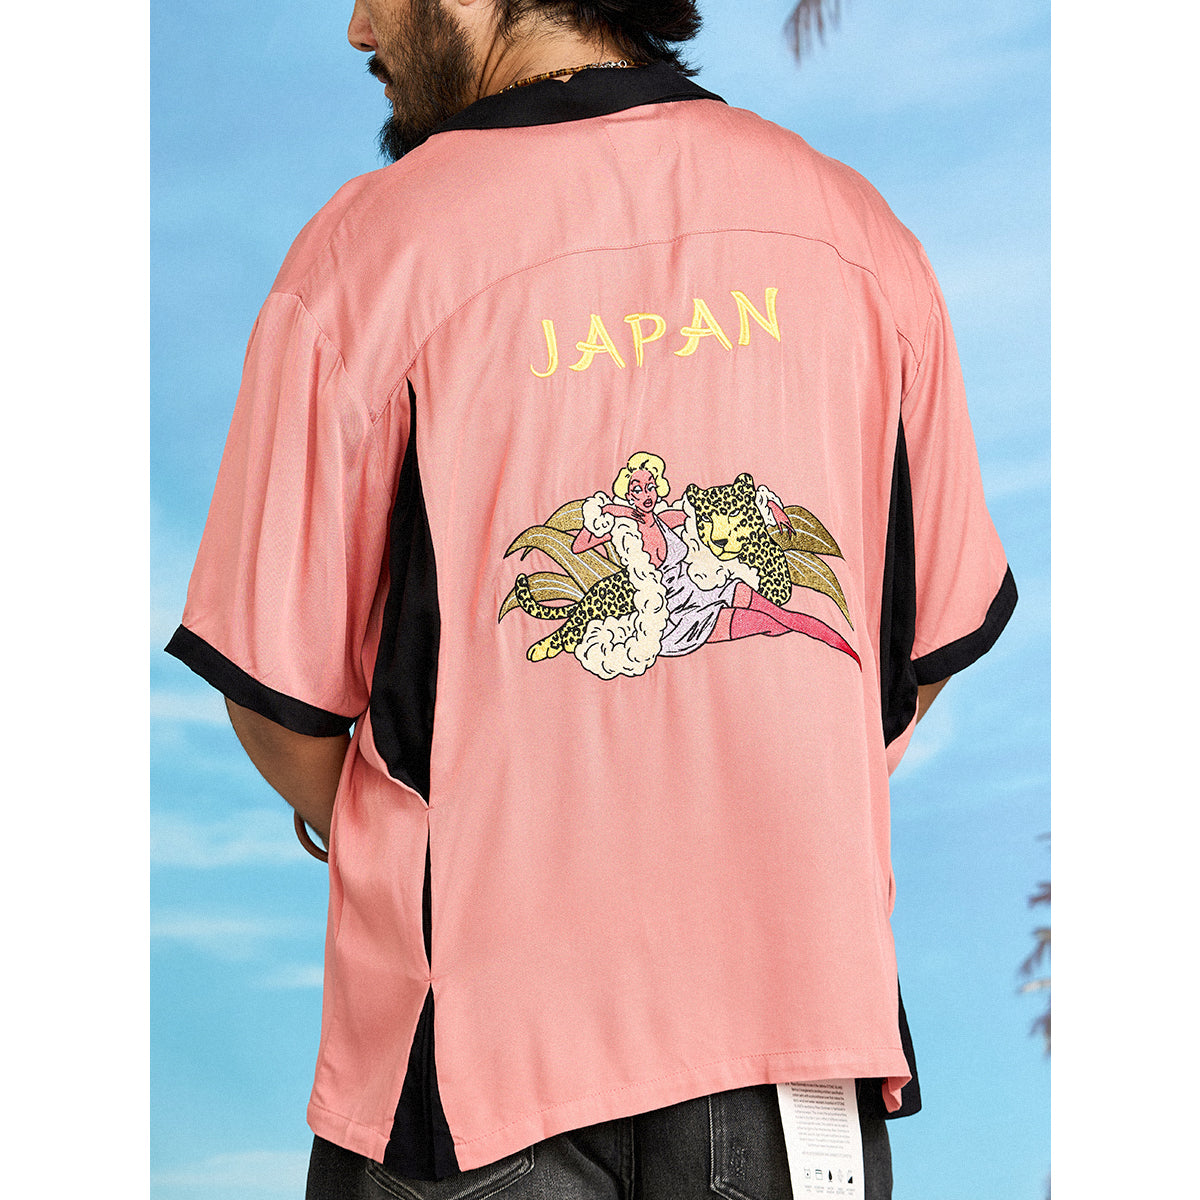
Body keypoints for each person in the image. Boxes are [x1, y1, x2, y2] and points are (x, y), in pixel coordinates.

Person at [166, 1, 1017, 1196]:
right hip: (791, 1055)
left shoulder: (369, 257)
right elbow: (918, 651)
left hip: (473, 1068)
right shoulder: (856, 235)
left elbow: (279, 703)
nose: (360, 28)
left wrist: (406, 816)